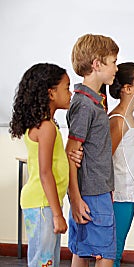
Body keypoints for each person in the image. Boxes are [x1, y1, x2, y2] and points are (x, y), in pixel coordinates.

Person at [9, 63, 72, 266]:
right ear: (51, 93)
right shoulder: (46, 127)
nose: (70, 93)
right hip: (43, 204)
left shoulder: (47, 124)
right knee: (42, 261)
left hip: (44, 202)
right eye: (67, 87)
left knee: (47, 260)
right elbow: (45, 173)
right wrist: (57, 214)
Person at [65, 33, 119, 267]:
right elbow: (71, 153)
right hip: (91, 193)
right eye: (113, 61)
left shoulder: (94, 101)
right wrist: (75, 199)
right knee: (106, 254)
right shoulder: (84, 105)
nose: (116, 68)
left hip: (97, 190)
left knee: (83, 251)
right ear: (97, 64)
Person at [108, 62, 134, 267]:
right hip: (118, 195)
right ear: (127, 89)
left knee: (117, 249)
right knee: (113, 252)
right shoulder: (118, 120)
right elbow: (105, 159)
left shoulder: (131, 117)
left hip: (128, 193)